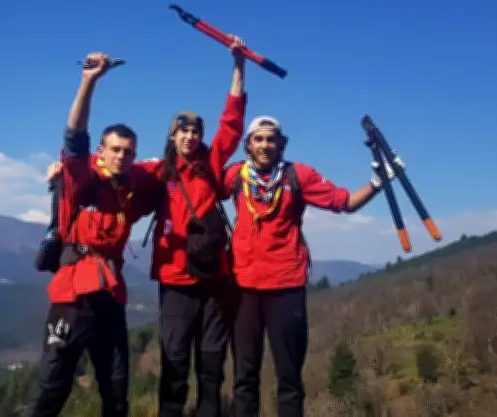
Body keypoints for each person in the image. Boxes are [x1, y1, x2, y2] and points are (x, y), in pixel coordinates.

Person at [45, 36, 248, 417]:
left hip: (216, 278)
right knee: (173, 363)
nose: (190, 136)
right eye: (182, 130)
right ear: (173, 135)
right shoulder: (155, 172)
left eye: (195, 131)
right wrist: (64, 175)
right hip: (175, 280)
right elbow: (105, 170)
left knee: (211, 364)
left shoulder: (213, 162)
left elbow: (232, 122)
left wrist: (239, 67)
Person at [221, 116, 404, 417]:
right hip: (243, 287)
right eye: (258, 139)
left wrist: (377, 184)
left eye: (271, 139)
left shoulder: (298, 175)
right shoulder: (235, 176)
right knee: (244, 375)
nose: (265, 145)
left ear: (281, 143)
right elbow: (201, 187)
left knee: (290, 377)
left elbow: (344, 202)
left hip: (286, 285)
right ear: (248, 145)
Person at [27, 52, 160, 417]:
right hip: (73, 295)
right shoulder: (82, 178)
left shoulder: (130, 190)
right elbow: (74, 137)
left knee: (116, 389)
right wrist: (89, 81)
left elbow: (174, 165)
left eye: (128, 152)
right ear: (101, 151)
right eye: (115, 149)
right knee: (53, 385)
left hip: (111, 297)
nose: (121, 156)